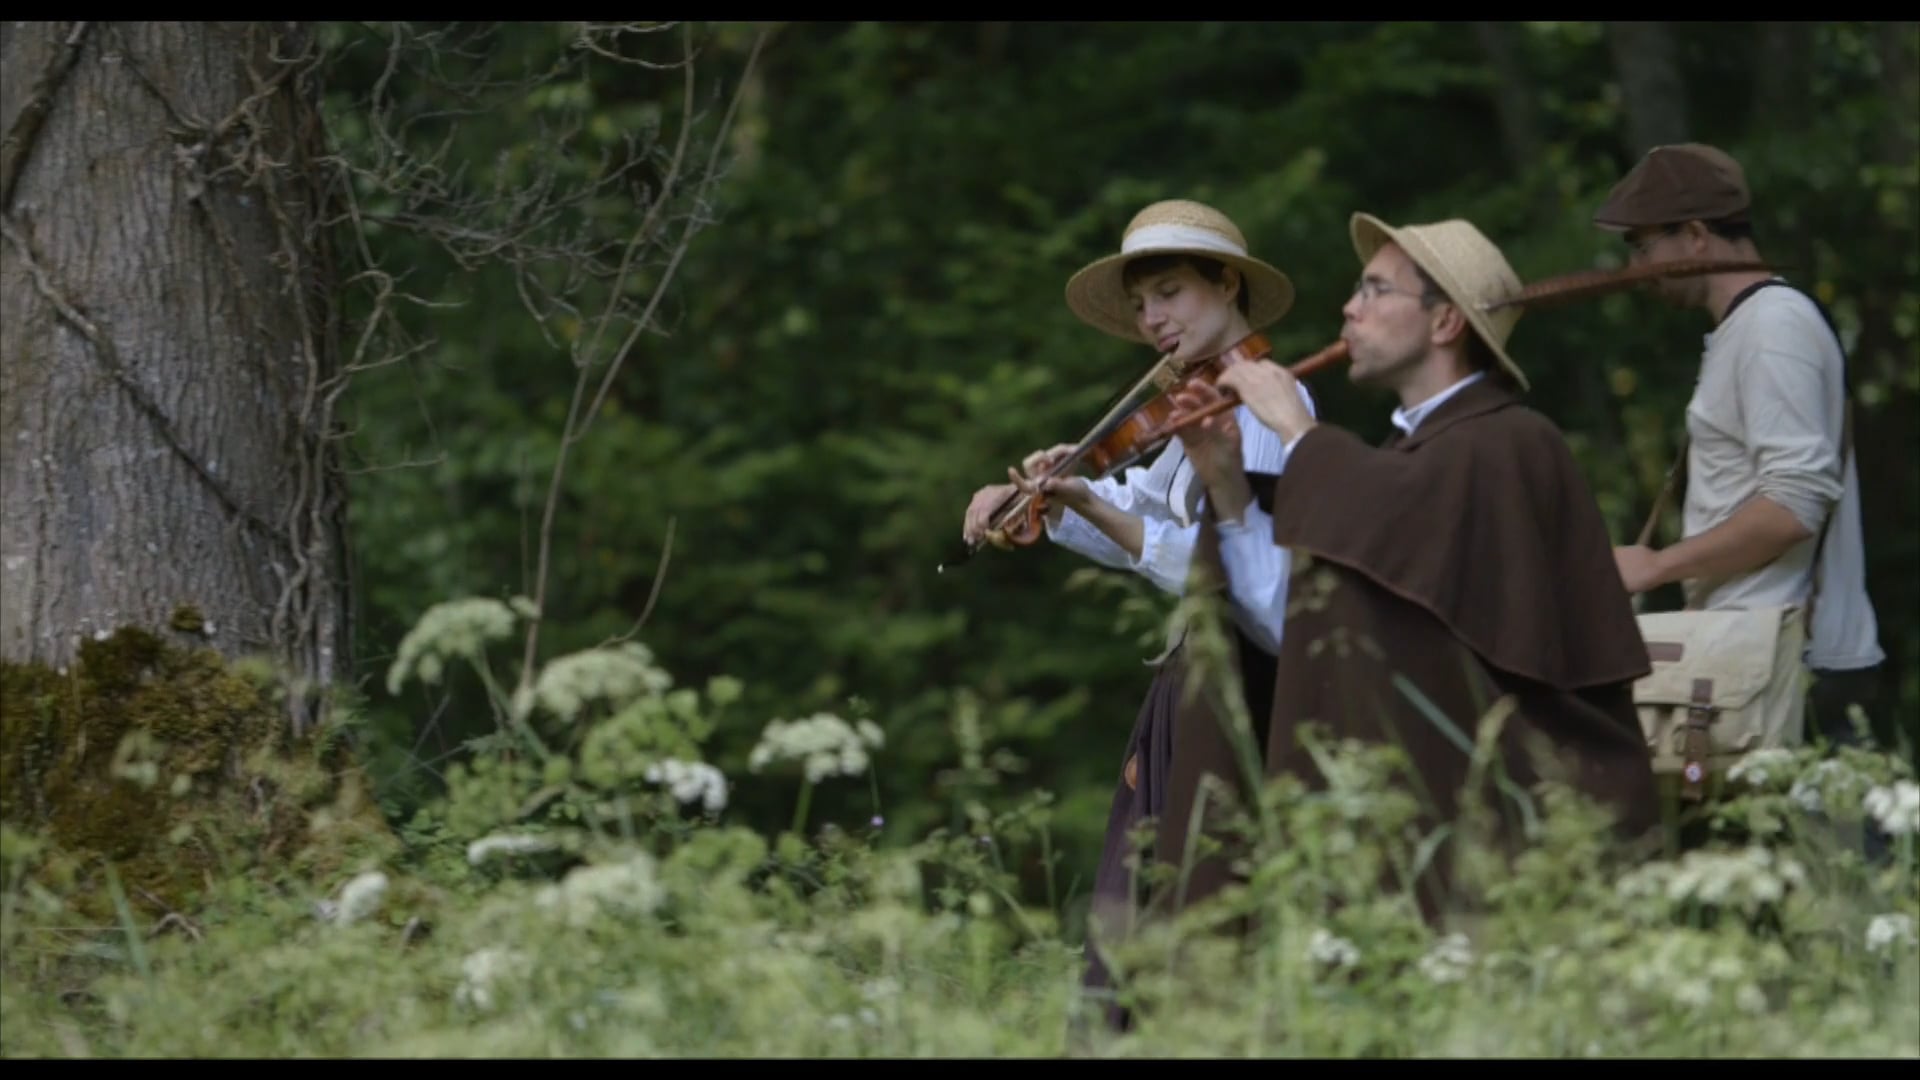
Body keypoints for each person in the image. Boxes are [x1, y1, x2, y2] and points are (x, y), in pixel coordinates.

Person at [1156, 212, 1663, 930]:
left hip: (1522, 828)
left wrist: (1297, 434)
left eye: (1374, 289)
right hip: (1425, 830)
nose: (1348, 308)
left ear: (1446, 321)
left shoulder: (1509, 444)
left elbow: (1482, 659)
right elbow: (1306, 632)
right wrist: (1230, 491)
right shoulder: (1399, 466)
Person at [959, 198, 1316, 1033]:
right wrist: (1052, 503)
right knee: (1141, 912)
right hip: (1197, 684)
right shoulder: (1193, 402)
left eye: (1171, 293)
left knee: (1196, 917)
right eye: (1142, 304)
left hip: (1245, 688)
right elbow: (1141, 520)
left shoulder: (1265, 403)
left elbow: (1217, 567)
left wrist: (1090, 502)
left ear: (1226, 283)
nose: (1153, 319)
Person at [1590, 142, 1887, 754]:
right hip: (1757, 663)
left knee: (1829, 849)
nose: (1636, 267)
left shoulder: (1773, 329)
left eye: (1643, 246)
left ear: (1696, 235)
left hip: (1794, 672)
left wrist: (1659, 565)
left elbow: (1791, 509)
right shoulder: (1748, 330)